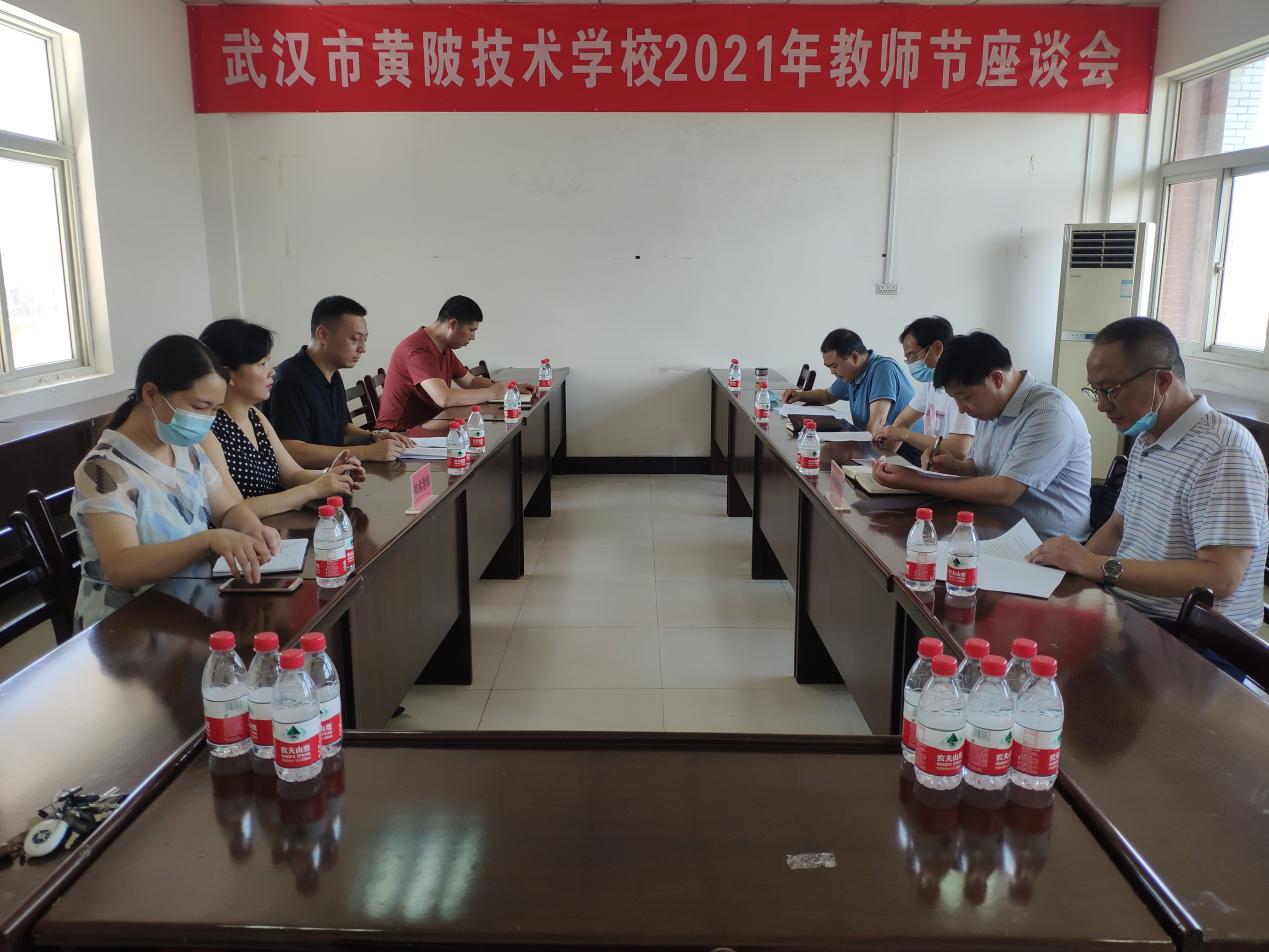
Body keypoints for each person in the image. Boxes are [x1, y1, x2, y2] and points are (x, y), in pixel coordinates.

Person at [1028, 318, 1268, 634]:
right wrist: (1069, 565)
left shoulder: (1224, 452)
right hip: (1130, 611)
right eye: (1095, 391)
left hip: (1191, 636)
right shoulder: (1147, 436)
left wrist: (1097, 566)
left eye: (1110, 390)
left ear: (1163, 381)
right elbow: (1118, 527)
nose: (1102, 406)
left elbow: (1221, 577)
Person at [70, 335, 281, 630]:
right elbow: (121, 567)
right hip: (126, 626)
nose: (207, 420)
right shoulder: (103, 470)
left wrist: (251, 528)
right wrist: (209, 539)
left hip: (189, 605)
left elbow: (228, 509)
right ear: (151, 394)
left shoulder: (186, 449)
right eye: (199, 406)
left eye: (215, 410)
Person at [871, 331, 1091, 540]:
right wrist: (952, 466)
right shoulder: (992, 407)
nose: (961, 409)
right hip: (991, 528)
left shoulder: (1050, 414)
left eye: (964, 397)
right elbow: (981, 468)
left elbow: (1004, 491)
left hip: (1044, 546)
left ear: (996, 379)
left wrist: (917, 480)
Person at [198, 318, 362, 518]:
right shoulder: (208, 431)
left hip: (276, 527)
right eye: (261, 364)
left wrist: (331, 474)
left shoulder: (255, 416)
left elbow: (293, 475)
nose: (272, 371)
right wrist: (312, 489)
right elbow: (235, 510)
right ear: (227, 375)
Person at [266, 295, 413, 469]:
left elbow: (340, 429)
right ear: (323, 334)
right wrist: (367, 451)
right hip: (308, 481)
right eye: (354, 339)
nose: (363, 348)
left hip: (335, 475)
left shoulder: (333, 373)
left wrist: (373, 437)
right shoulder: (290, 380)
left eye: (365, 339)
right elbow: (291, 451)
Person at [376, 294, 533, 431]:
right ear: (452, 324)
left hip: (429, 426)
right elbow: (444, 398)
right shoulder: (417, 350)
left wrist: (510, 390)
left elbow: (470, 382)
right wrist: (493, 393)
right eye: (471, 330)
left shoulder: (443, 348)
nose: (473, 337)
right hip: (399, 433)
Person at [874, 315, 975, 461]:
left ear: (937, 348)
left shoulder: (960, 390)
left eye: (913, 356)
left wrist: (906, 435)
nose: (911, 363)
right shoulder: (930, 384)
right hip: (932, 467)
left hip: (955, 472)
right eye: (908, 359)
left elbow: (960, 449)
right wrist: (884, 459)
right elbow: (902, 422)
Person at [779, 328, 915, 435]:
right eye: (829, 367)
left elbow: (877, 424)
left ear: (854, 357)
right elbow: (828, 395)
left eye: (834, 366)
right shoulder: (852, 374)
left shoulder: (883, 369)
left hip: (904, 451)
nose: (832, 372)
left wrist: (855, 447)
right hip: (875, 441)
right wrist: (800, 395)